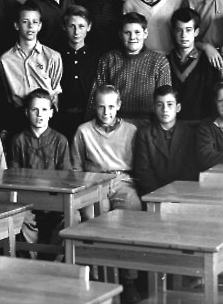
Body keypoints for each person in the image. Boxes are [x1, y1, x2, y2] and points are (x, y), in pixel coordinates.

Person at [72, 85, 142, 303]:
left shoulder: (131, 130)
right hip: (94, 183)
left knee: (131, 214)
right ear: (94, 106)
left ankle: (128, 279)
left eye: (111, 107)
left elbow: (139, 164)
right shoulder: (83, 131)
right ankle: (97, 277)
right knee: (95, 218)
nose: (106, 112)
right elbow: (75, 168)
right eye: (101, 107)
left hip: (123, 181)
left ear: (118, 105)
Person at [10, 89, 70, 253]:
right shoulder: (18, 141)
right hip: (27, 202)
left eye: (44, 109)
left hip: (55, 202)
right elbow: (14, 177)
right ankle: (32, 261)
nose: (39, 114)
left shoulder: (60, 141)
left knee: (72, 218)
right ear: (26, 112)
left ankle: (52, 260)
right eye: (34, 110)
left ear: (51, 113)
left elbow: (66, 177)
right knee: (19, 219)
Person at [88, 12, 171, 127]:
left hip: (149, 125)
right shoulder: (108, 59)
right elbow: (95, 97)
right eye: (127, 33)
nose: (132, 37)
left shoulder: (159, 62)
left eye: (137, 32)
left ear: (145, 34)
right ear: (120, 34)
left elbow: (165, 99)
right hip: (114, 124)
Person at [0, 2, 63, 136]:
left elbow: (55, 92)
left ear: (40, 26)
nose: (30, 26)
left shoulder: (53, 56)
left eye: (34, 22)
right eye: (25, 21)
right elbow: (7, 95)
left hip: (46, 117)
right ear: (16, 25)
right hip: (19, 117)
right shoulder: (5, 59)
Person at [134, 85, 199, 196]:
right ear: (154, 108)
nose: (165, 110)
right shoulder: (144, 134)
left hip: (183, 192)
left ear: (178, 108)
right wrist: (161, 193)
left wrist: (177, 192)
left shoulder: (190, 133)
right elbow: (143, 170)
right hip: (154, 192)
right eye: (160, 105)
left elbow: (191, 168)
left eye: (170, 104)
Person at [167, 7, 219, 121]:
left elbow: (212, 99)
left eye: (188, 30)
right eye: (179, 30)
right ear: (173, 32)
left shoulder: (208, 61)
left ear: (196, 32)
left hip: (201, 123)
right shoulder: (165, 61)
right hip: (173, 124)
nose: (183, 35)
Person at [57, 5, 99, 141]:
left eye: (81, 26)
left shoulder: (97, 56)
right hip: (61, 117)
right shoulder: (56, 55)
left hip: (89, 118)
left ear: (89, 27)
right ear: (64, 27)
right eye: (72, 26)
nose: (76, 32)